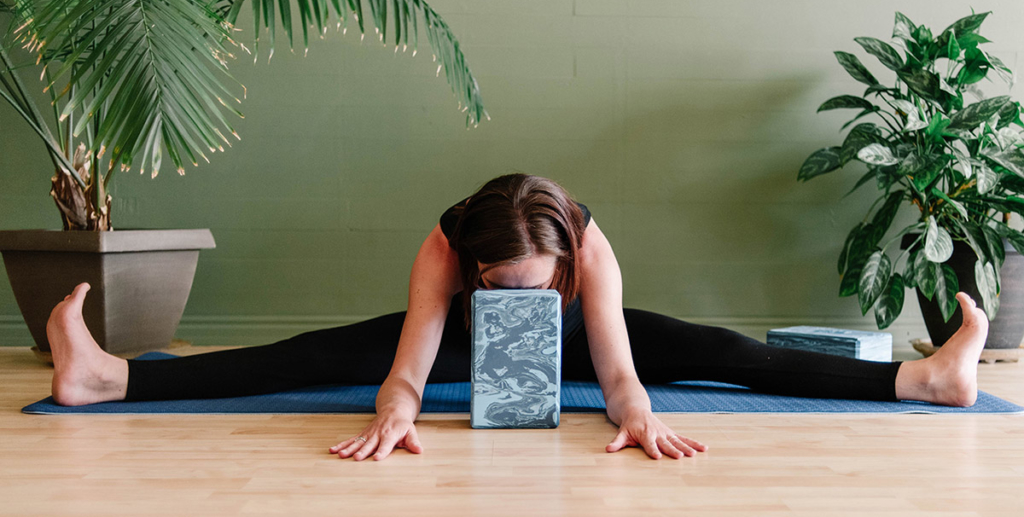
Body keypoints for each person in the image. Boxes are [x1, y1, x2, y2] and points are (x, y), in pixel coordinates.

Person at [44, 173, 990, 462]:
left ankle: (928, 378)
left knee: (721, 351)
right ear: (476, 263)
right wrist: (398, 409)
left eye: (539, 282)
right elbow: (414, 355)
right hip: (465, 343)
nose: (523, 295)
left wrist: (635, 415)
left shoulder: (589, 255)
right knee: (312, 352)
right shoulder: (446, 252)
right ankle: (106, 375)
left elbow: (618, 365)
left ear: (567, 263)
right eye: (506, 281)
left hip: (592, 336)